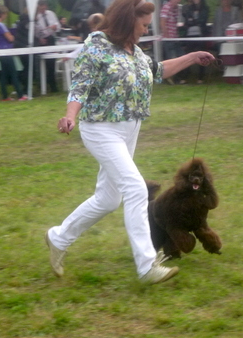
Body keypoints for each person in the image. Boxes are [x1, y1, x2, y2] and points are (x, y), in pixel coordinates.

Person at [46, 0, 215, 285]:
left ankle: (58, 238)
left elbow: (157, 70)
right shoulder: (96, 47)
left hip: (128, 130)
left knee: (108, 199)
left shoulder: (134, 52)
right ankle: (146, 266)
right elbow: (80, 86)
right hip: (100, 129)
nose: (145, 31)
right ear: (127, 20)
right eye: (143, 25)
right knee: (136, 189)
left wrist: (192, 57)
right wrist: (69, 116)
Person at [0, 6, 27, 101]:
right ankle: (20, 95)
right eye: (5, 14)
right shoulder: (1, 25)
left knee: (3, 75)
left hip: (0, 51)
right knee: (13, 73)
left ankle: (4, 96)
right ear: (2, 14)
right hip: (6, 52)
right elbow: (10, 38)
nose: (6, 16)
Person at [35, 0, 60, 93]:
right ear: (38, 7)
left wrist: (55, 27)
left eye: (44, 6)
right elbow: (35, 30)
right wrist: (39, 39)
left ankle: (53, 86)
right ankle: (42, 86)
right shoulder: (36, 17)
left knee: (52, 63)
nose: (43, 8)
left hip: (51, 39)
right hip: (41, 41)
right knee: (42, 64)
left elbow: (58, 25)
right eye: (41, 6)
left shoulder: (51, 14)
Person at [160, 0, 188, 84]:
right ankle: (172, 79)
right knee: (172, 60)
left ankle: (175, 78)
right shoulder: (166, 7)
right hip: (169, 40)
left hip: (175, 38)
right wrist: (167, 36)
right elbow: (162, 22)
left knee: (181, 57)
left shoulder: (176, 9)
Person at [183, 0, 209, 84]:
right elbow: (187, 21)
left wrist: (193, 21)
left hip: (200, 35)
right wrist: (194, 21)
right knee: (188, 56)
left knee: (202, 56)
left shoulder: (205, 8)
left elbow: (202, 21)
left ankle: (201, 77)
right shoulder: (188, 7)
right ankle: (185, 76)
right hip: (189, 35)